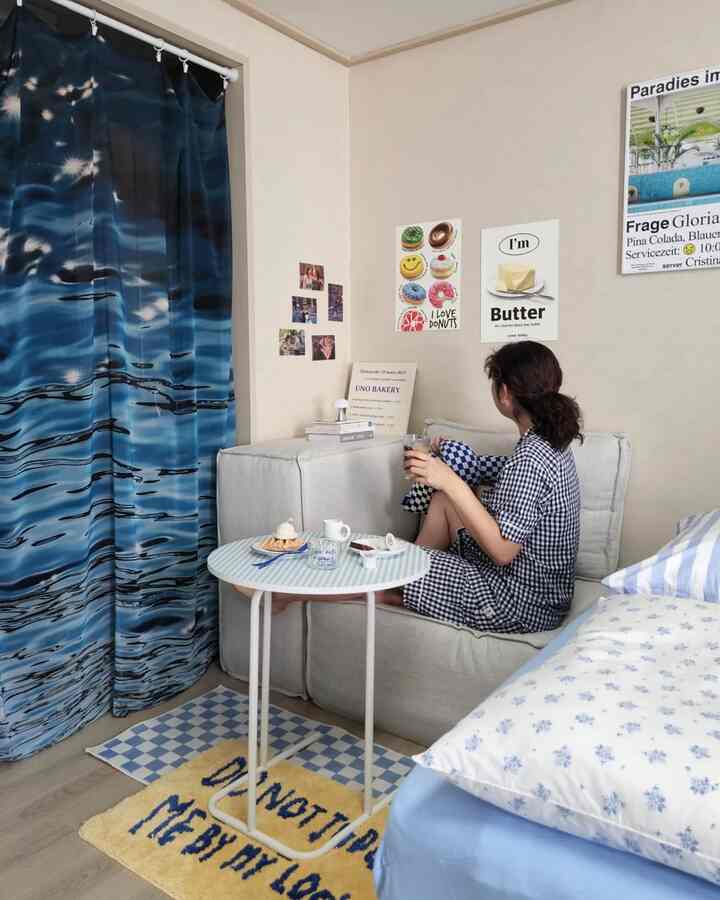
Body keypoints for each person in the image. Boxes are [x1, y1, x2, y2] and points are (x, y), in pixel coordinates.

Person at [396, 340, 582, 633]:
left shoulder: (531, 457)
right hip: (541, 593)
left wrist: (448, 478)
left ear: (504, 393)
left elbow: (503, 551)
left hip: (519, 603)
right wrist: (450, 460)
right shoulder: (550, 442)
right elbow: (498, 470)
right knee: (444, 500)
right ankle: (409, 571)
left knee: (390, 563)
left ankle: (399, 581)